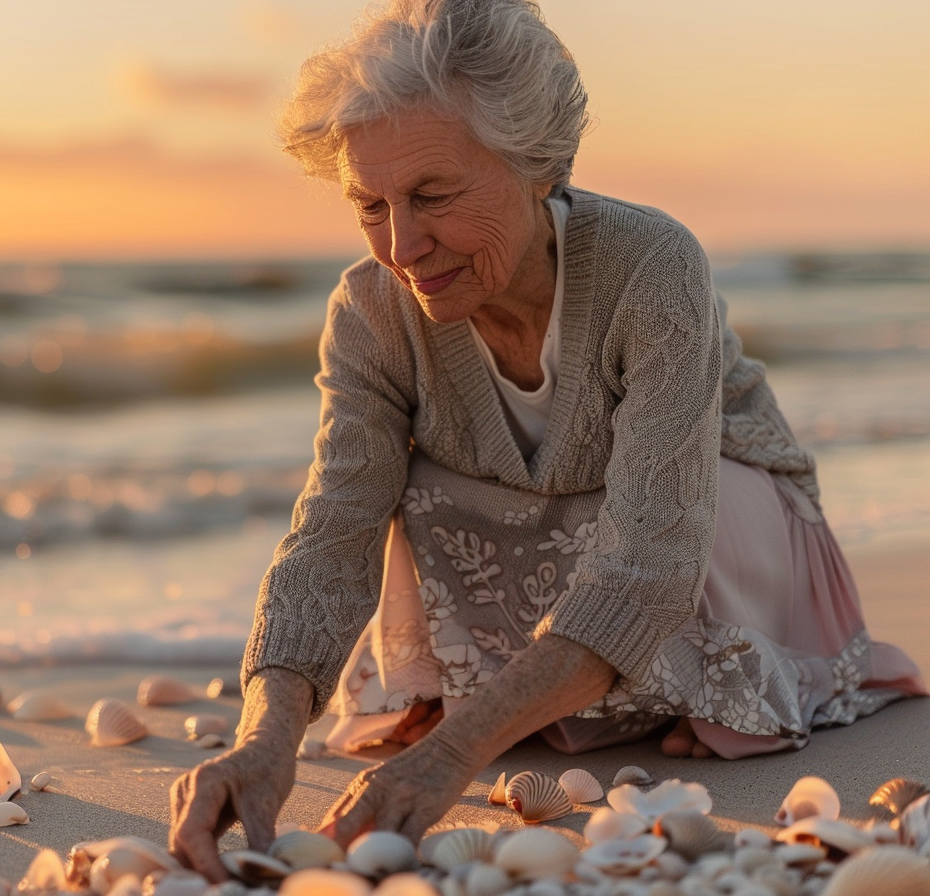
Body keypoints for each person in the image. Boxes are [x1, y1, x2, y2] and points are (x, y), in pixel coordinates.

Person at [168, 0, 925, 881]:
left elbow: (651, 557)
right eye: (370, 204)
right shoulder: (370, 310)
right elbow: (331, 535)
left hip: (717, 538)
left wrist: (452, 752)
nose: (404, 245)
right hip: (552, 540)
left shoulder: (652, 262)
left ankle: (614, 694)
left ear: (540, 166)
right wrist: (264, 738)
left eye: (434, 196)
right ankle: (568, 697)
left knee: (684, 508)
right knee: (404, 493)